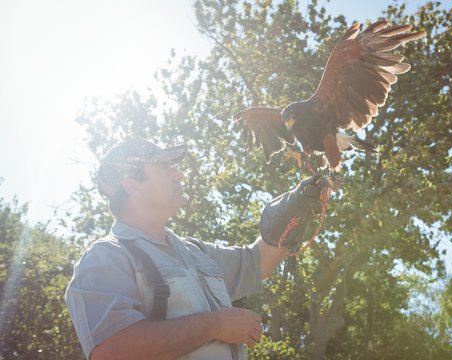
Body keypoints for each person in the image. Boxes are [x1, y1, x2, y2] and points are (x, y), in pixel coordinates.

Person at [65, 138, 328, 360]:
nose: (178, 173)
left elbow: (257, 264)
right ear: (132, 185)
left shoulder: (194, 251)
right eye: (165, 167)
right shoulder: (106, 257)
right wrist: (215, 325)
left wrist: (293, 212)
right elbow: (111, 351)